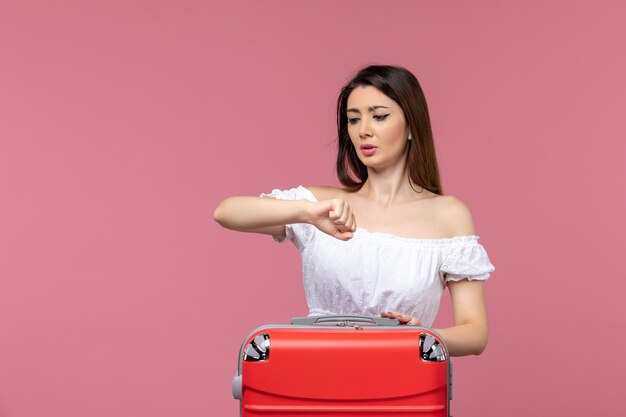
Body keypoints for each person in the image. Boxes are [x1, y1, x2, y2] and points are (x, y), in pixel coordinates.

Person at [213, 65, 495, 357]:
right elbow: (226, 212)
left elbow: (475, 332)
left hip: (404, 387)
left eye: (379, 116)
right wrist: (306, 213)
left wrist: (420, 338)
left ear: (412, 125)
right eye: (353, 119)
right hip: (317, 378)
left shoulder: (449, 215)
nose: (364, 131)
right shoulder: (322, 206)